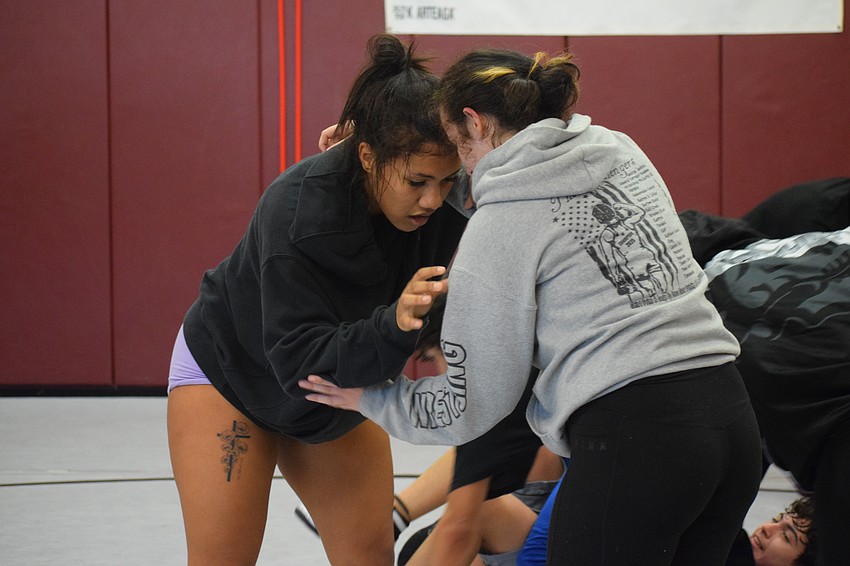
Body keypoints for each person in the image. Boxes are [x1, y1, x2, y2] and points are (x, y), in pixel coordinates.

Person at [301, 47, 764, 565]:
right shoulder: (620, 151)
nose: (461, 173)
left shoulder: (498, 233)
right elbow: (532, 193)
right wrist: (386, 154)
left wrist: (370, 398)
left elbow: (469, 406)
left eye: (457, 148)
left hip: (641, 439)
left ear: (473, 121)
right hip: (734, 422)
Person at [166, 34, 469, 566]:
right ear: (368, 155)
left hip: (338, 385)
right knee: (222, 558)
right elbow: (299, 362)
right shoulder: (298, 213)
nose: (432, 200)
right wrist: (395, 326)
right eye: (418, 181)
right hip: (234, 374)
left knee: (368, 556)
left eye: (447, 181)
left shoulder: (440, 198)